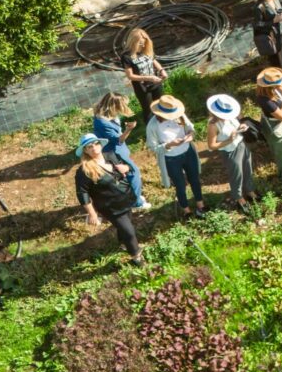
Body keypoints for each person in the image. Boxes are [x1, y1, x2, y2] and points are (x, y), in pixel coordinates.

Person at [74, 133, 143, 264]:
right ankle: (136, 256)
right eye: (89, 146)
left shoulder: (110, 156)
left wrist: (126, 168)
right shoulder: (84, 171)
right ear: (85, 151)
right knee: (129, 231)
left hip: (126, 198)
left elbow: (127, 168)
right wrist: (92, 214)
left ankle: (123, 244)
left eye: (96, 144)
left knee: (125, 225)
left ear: (100, 144)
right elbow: (82, 193)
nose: (94, 148)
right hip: (110, 207)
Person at [146, 95, 206, 220]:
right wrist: (169, 144)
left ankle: (200, 205)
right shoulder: (152, 126)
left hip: (188, 152)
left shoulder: (180, 115)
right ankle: (186, 210)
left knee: (195, 178)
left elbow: (191, 129)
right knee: (180, 184)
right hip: (171, 158)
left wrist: (190, 136)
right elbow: (153, 147)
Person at [92, 92, 149, 211]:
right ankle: (136, 203)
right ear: (114, 106)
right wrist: (128, 129)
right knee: (133, 173)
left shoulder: (104, 114)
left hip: (117, 149)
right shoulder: (104, 123)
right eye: (122, 105)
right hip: (114, 151)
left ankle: (133, 196)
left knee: (125, 175)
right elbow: (118, 140)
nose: (124, 107)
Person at [205, 94, 256, 214]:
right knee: (236, 174)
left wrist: (242, 126)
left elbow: (239, 122)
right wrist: (229, 140)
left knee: (247, 168)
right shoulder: (213, 125)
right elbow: (211, 146)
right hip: (229, 151)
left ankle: (250, 190)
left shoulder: (232, 114)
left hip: (241, 144)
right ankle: (238, 197)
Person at [121, 28, 167, 121]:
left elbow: (153, 60)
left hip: (155, 83)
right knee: (148, 110)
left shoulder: (146, 49)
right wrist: (149, 78)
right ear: (133, 42)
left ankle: (163, 123)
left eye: (144, 42)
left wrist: (161, 70)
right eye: (140, 43)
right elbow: (130, 76)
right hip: (142, 88)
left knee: (161, 104)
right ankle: (150, 129)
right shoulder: (126, 56)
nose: (143, 45)